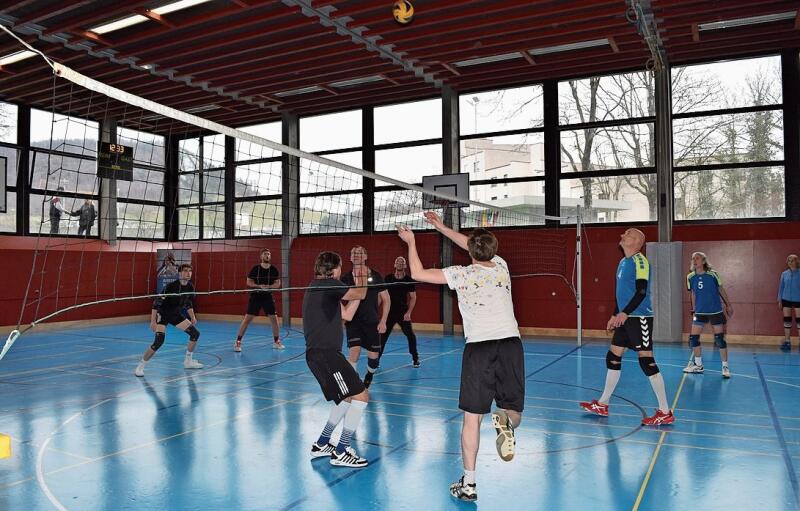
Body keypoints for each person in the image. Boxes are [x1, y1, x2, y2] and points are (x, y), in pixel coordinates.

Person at [398, 212, 523, 502]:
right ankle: (505, 419)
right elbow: (473, 244)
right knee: (514, 412)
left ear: (470, 251)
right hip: (510, 345)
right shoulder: (502, 266)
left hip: (479, 347)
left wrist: (412, 241)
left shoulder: (460, 274)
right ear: (493, 249)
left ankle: (469, 484)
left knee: (472, 419)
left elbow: (417, 273)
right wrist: (442, 227)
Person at [579, 228, 674, 426]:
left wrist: (625, 313)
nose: (622, 236)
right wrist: (615, 314)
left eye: (628, 234)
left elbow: (640, 292)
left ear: (637, 242)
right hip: (625, 317)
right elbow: (622, 294)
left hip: (639, 318)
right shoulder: (623, 262)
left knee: (646, 361)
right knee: (613, 356)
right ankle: (603, 404)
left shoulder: (640, 262)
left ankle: (665, 411)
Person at [304, 251, 371, 468]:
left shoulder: (321, 286)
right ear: (334, 269)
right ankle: (341, 450)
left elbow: (347, 314)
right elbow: (359, 293)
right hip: (325, 355)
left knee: (348, 398)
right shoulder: (328, 284)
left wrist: (360, 289)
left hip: (323, 355)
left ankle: (323, 443)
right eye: (341, 266)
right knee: (361, 396)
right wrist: (362, 275)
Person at [135, 263, 203, 377]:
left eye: (190, 271)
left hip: (175, 315)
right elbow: (157, 302)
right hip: (163, 315)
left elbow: (188, 302)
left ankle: (188, 361)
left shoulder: (190, 286)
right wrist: (153, 321)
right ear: (180, 273)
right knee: (159, 342)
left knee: (195, 334)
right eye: (185, 271)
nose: (188, 273)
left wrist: (192, 316)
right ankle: (140, 367)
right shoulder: (171, 286)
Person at [340, 246, 390, 388]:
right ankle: (353, 386)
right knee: (353, 353)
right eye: (353, 253)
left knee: (373, 358)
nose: (356, 255)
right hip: (353, 322)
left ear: (365, 257)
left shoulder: (375, 275)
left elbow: (386, 299)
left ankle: (369, 374)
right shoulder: (346, 278)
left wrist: (383, 321)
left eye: (360, 253)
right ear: (350, 257)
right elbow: (337, 299)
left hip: (372, 322)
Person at [683, 252, 734, 378]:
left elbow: (721, 289)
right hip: (700, 312)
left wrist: (728, 305)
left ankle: (725, 367)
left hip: (715, 311)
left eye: (697, 258)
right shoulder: (690, 277)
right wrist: (694, 308)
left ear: (704, 261)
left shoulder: (713, 274)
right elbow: (693, 293)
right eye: (693, 258)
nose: (695, 261)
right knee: (693, 339)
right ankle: (699, 366)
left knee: (719, 339)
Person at [234, 248, 283, 352]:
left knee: (274, 319)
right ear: (261, 256)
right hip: (256, 296)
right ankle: (238, 342)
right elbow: (249, 282)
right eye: (265, 254)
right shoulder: (255, 269)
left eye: (269, 254)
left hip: (268, 296)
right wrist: (259, 286)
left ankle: (276, 341)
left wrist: (269, 287)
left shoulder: (273, 269)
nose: (267, 256)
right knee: (247, 319)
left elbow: (278, 284)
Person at [380, 256, 420, 368]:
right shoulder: (388, 278)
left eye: (402, 262)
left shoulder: (408, 280)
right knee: (382, 336)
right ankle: (376, 360)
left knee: (411, 336)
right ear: (394, 264)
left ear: (405, 265)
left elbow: (413, 297)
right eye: (397, 261)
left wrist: (408, 313)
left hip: (403, 313)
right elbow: (382, 295)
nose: (399, 263)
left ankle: (415, 358)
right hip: (390, 312)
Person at [778, 254, 800, 351]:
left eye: (793, 260)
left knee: (799, 321)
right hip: (785, 299)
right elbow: (781, 287)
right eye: (789, 260)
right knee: (787, 320)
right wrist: (779, 299)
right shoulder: (784, 274)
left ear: (797, 261)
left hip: (798, 299)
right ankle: (787, 342)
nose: (790, 262)